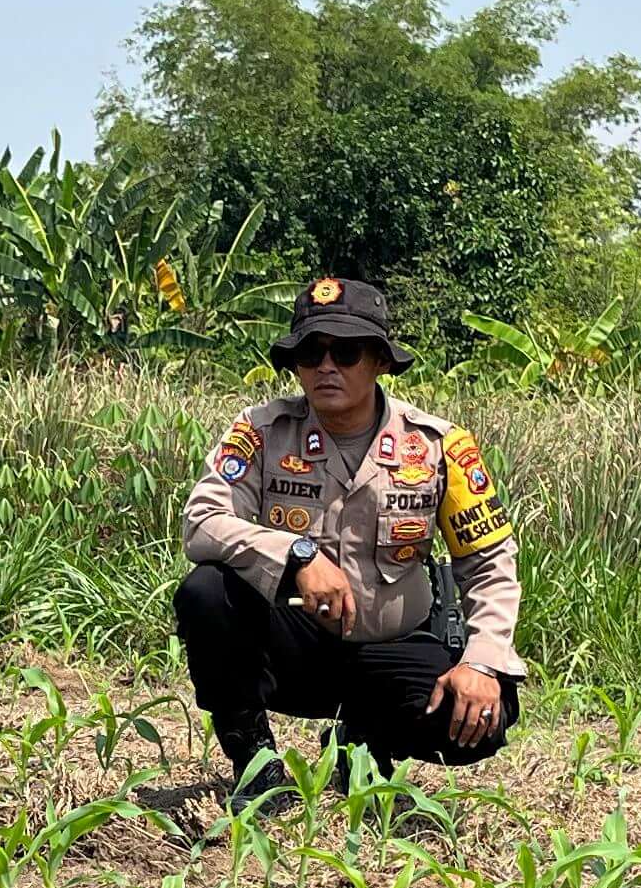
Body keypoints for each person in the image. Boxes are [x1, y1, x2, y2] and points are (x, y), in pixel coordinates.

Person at [174, 274, 525, 814]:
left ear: (381, 360)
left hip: (394, 644)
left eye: (347, 351)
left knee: (487, 714)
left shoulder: (437, 446)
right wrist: (296, 557)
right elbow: (202, 520)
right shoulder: (263, 431)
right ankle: (255, 762)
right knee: (205, 591)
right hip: (294, 649)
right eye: (311, 352)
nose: (327, 366)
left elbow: (487, 562)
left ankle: (360, 743)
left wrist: (482, 661)